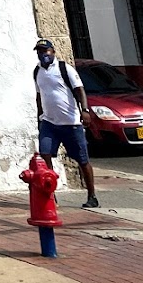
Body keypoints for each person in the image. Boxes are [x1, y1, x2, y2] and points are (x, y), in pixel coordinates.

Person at [33, 37, 99, 209]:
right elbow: (40, 95)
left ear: (53, 51)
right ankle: (50, 194)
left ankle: (92, 196)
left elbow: (79, 89)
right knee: (45, 155)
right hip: (49, 123)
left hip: (71, 123)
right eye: (40, 52)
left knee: (82, 160)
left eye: (45, 51)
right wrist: (39, 115)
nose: (43, 55)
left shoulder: (64, 68)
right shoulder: (37, 72)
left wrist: (84, 110)